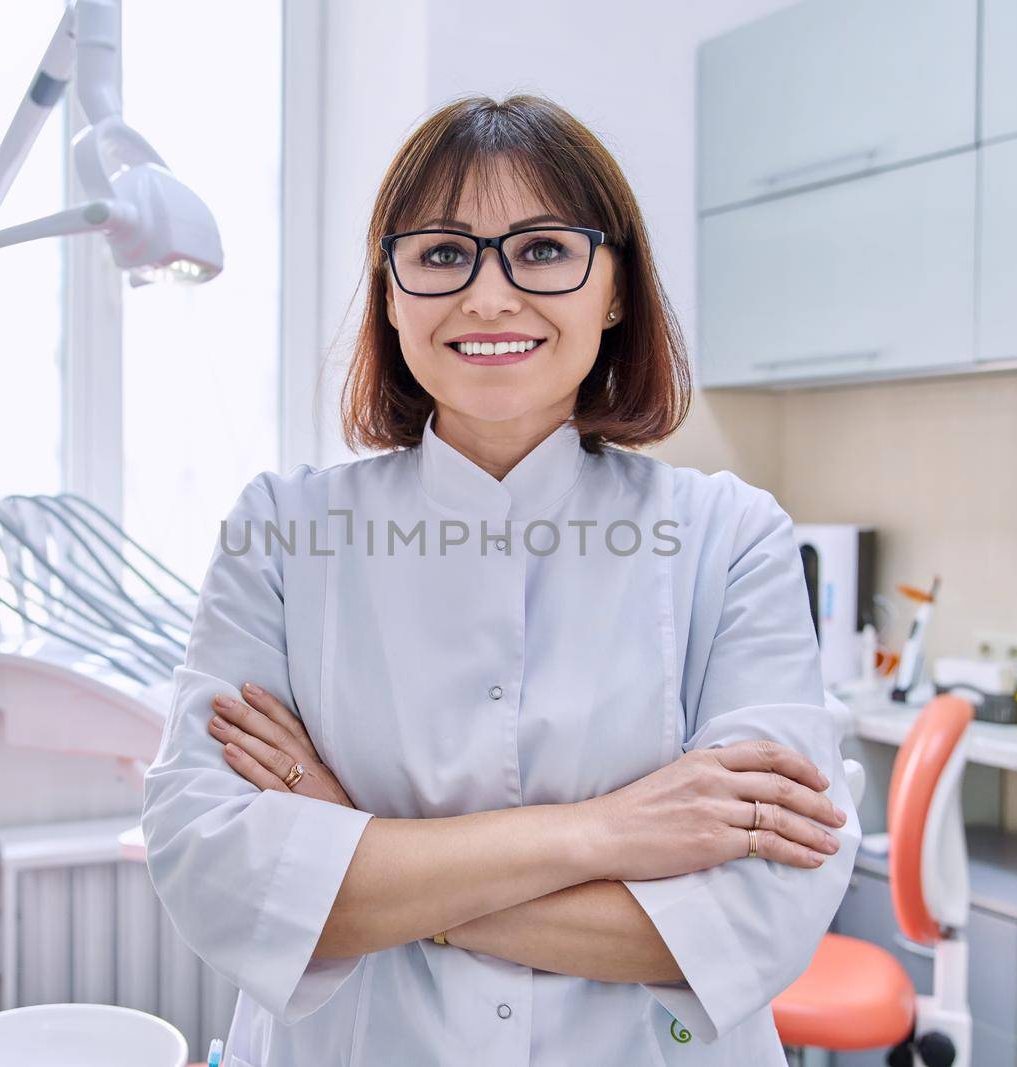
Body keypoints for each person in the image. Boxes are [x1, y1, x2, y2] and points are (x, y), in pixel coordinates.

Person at [142, 93, 861, 1066]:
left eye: (543, 249)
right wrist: (605, 832)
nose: (488, 297)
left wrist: (358, 854)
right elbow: (214, 872)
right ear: (390, 293)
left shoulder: (728, 537)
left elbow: (757, 914)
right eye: (441, 253)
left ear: (614, 290)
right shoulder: (281, 531)